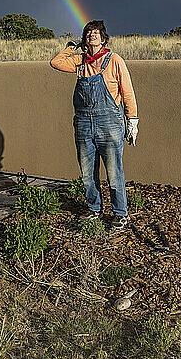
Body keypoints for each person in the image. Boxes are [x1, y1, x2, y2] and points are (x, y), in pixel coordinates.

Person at [50, 20, 138, 231]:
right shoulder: (80, 61)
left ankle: (120, 214)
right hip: (83, 123)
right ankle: (94, 209)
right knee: (88, 172)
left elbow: (127, 91)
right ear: (85, 38)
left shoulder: (114, 60)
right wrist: (71, 46)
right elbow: (56, 62)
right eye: (88, 33)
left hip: (109, 122)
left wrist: (132, 120)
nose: (92, 36)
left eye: (96, 33)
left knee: (114, 172)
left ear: (103, 38)